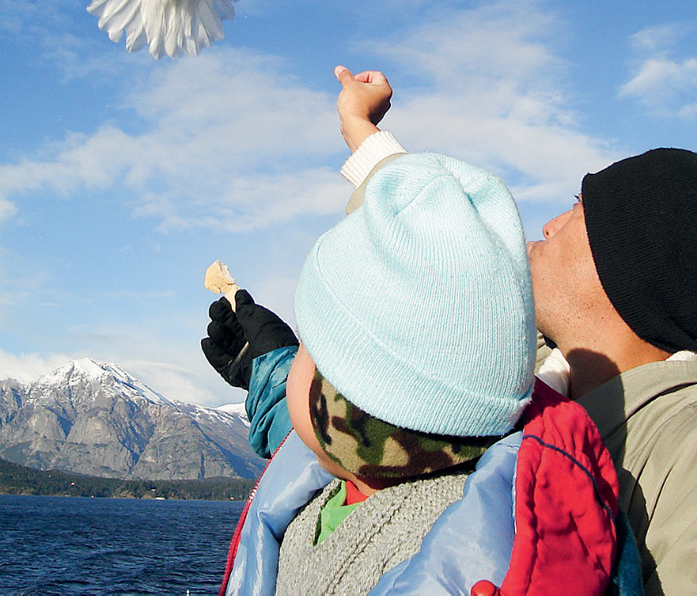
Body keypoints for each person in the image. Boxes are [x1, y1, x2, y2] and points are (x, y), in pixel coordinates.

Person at [317, 64, 697, 594]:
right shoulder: (521, 369)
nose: (549, 224)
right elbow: (435, 258)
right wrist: (360, 131)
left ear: (629, 266)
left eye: (579, 208)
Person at [205, 151, 640, 595]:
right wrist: (270, 370)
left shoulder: (408, 550)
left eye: (308, 348)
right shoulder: (396, 482)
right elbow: (329, 432)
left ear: (346, 406)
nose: (298, 356)